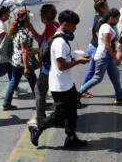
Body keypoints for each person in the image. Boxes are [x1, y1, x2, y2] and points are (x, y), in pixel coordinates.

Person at [27, 10, 88, 149]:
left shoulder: (60, 37)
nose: (75, 28)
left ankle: (71, 138)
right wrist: (78, 62)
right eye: (74, 25)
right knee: (59, 115)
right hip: (59, 86)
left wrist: (73, 58)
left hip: (66, 83)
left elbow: (62, 61)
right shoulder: (60, 42)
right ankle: (37, 128)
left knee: (72, 113)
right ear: (65, 24)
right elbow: (61, 66)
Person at [79, 9, 122, 105]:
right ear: (111, 18)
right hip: (103, 56)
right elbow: (107, 44)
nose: (117, 21)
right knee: (97, 78)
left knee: (115, 76)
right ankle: (78, 93)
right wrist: (115, 57)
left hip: (107, 56)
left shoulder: (106, 26)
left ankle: (119, 97)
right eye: (116, 19)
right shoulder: (106, 28)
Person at [28, 4, 60, 126]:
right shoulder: (50, 26)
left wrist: (37, 51)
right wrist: (31, 28)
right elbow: (41, 39)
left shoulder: (52, 28)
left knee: (39, 91)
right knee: (46, 92)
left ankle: (40, 118)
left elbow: (49, 48)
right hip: (48, 67)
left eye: (41, 14)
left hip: (48, 68)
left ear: (44, 16)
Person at [2, 9, 38, 110]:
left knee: (14, 82)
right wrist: (26, 67)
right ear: (26, 20)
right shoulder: (22, 33)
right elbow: (24, 51)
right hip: (23, 62)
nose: (30, 20)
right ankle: (40, 102)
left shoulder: (16, 30)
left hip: (15, 62)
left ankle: (6, 103)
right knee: (34, 83)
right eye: (29, 19)